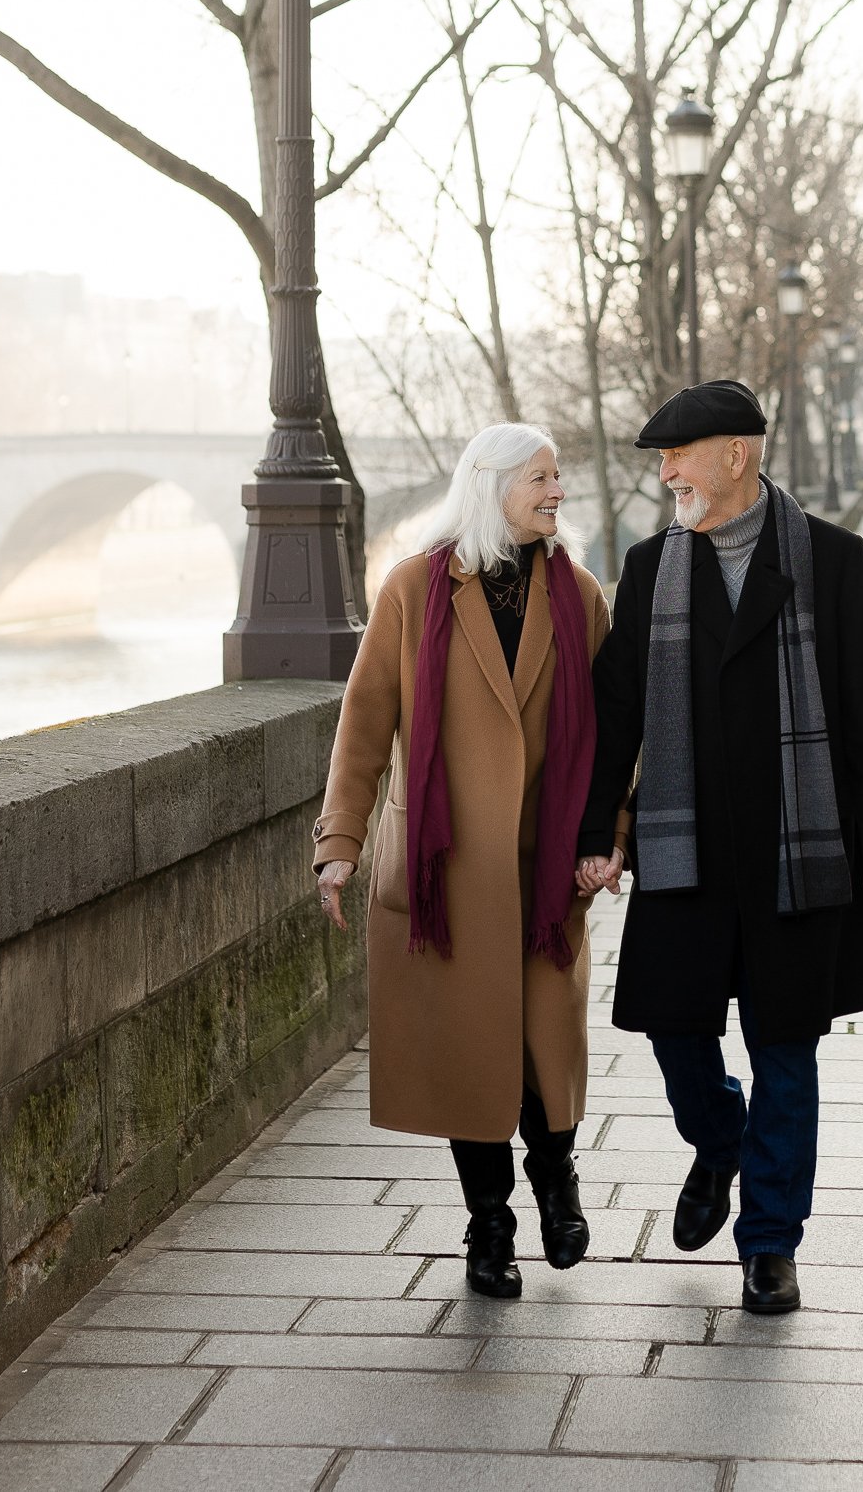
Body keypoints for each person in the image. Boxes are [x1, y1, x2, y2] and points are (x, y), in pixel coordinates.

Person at [576, 379, 863, 1316]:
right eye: (659, 460)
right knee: (673, 1031)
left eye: (678, 456)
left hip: (793, 852)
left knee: (787, 1051)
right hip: (685, 848)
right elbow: (615, 712)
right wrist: (594, 828)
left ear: (737, 454)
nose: (666, 473)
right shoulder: (652, 570)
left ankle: (770, 1242)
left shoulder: (832, 561)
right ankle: (717, 1137)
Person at [314, 423, 616, 1301]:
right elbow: (364, 727)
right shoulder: (414, 590)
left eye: (558, 477)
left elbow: (610, 738)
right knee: (469, 1058)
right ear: (491, 485)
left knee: (538, 1050)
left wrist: (611, 839)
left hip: (544, 872)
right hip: (447, 874)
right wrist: (338, 847)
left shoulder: (582, 595)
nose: (558, 492)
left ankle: (555, 1178)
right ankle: (490, 1228)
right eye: (542, 478)